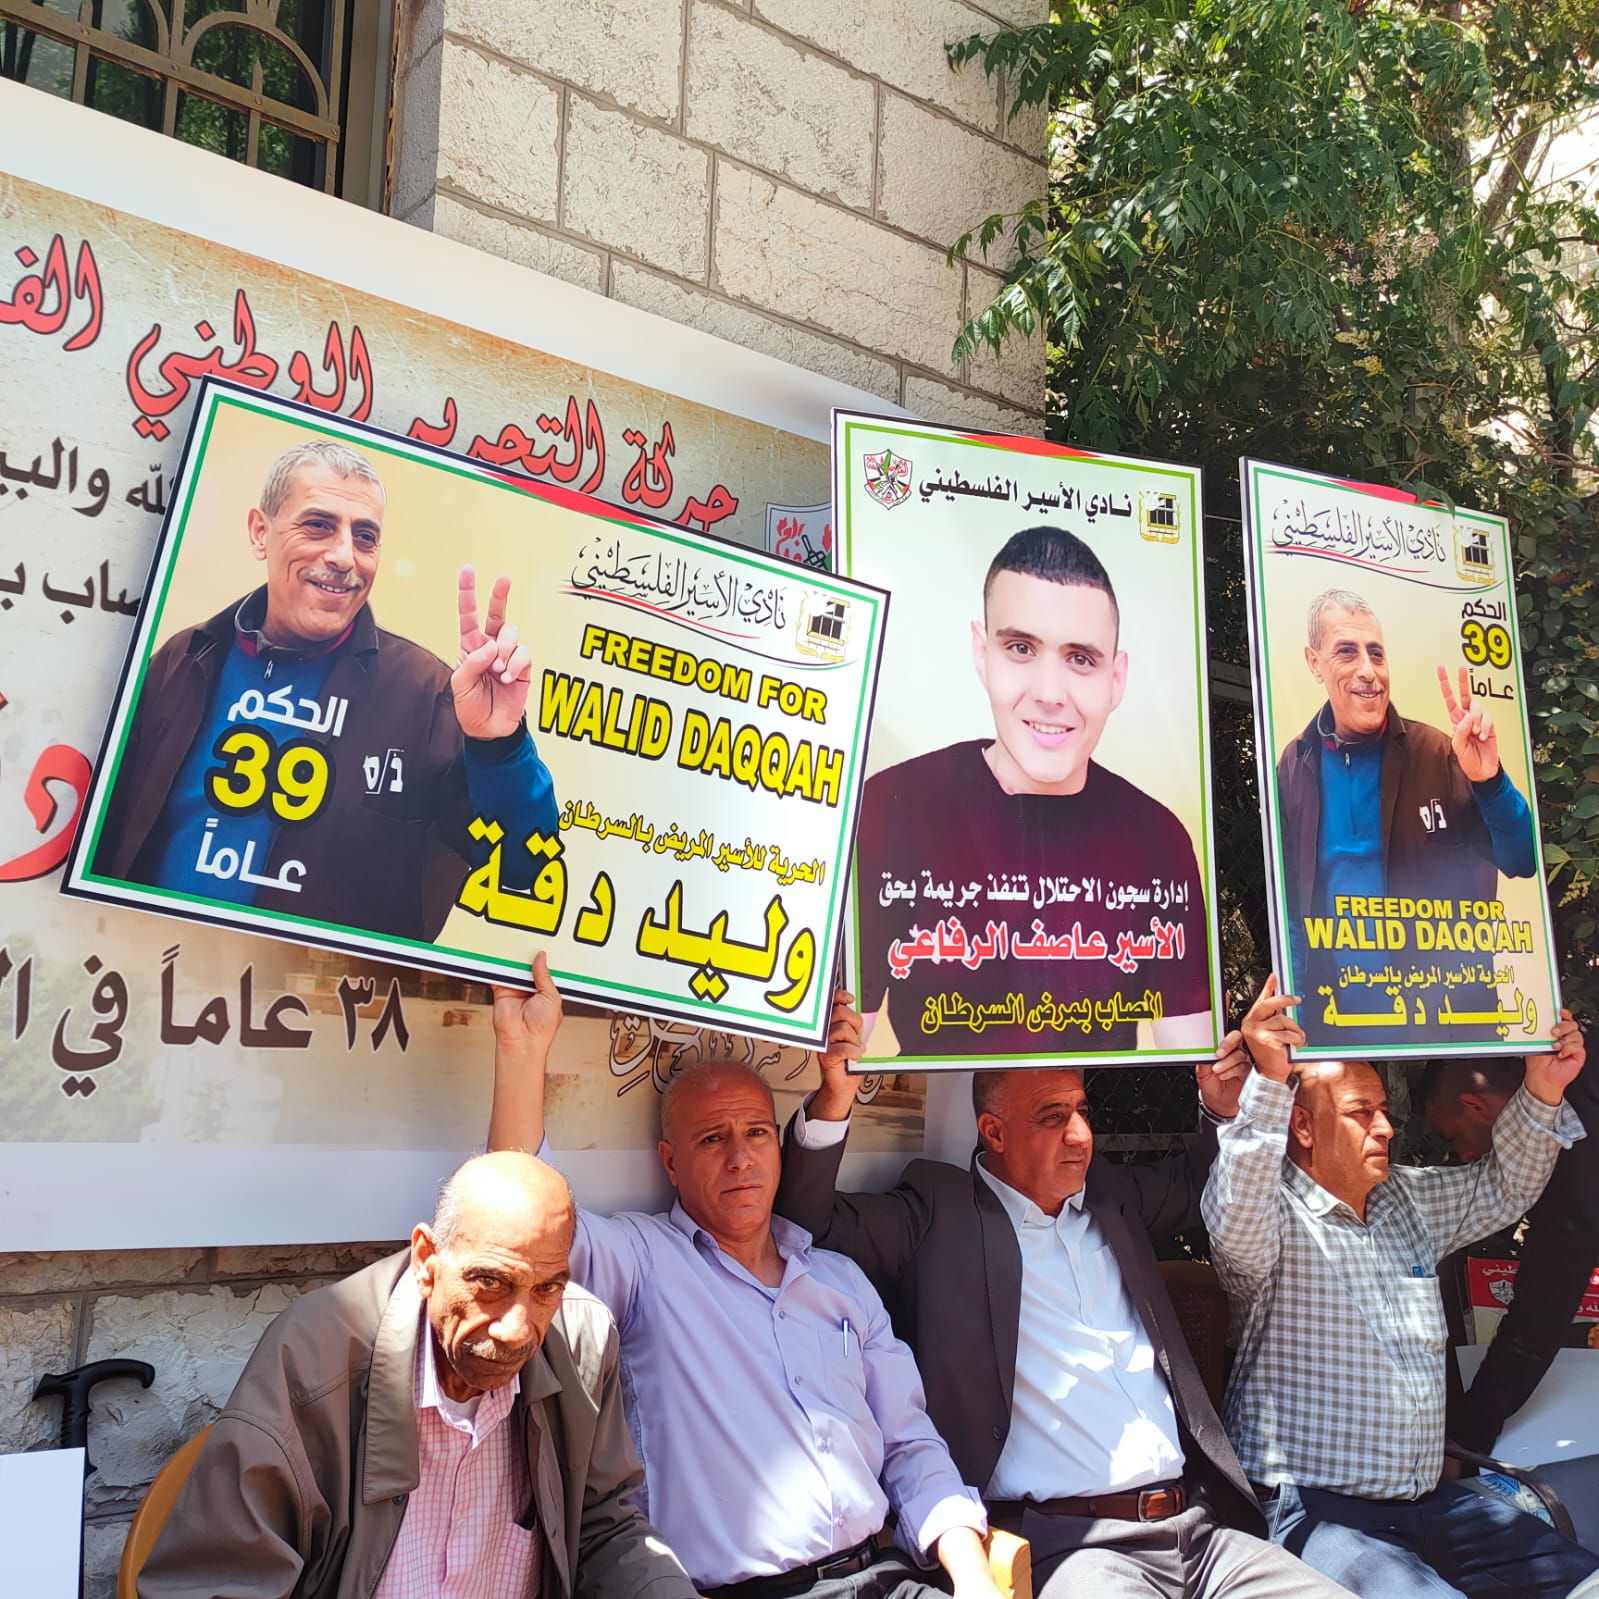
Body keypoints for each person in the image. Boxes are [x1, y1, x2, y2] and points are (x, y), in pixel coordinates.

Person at [774, 1005, 1353, 1598]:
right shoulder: (939, 1213)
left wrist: (1221, 1109)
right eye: (1053, 1117)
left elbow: (1198, 1186)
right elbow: (805, 1226)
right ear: (994, 1132)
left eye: (1082, 1111)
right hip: (1077, 1547)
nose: (1080, 1135)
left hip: (1202, 1534)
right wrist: (835, 1099)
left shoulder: (1108, 1196)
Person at [487, 956, 1002, 1599]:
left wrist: (973, 1577)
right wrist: (522, 1050)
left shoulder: (841, 1281)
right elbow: (525, 1218)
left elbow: (910, 1444)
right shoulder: (646, 1263)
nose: (740, 1158)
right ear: (671, 1163)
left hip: (887, 1578)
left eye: (757, 1133)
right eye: (712, 1139)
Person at [138, 1150, 696, 1599]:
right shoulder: (313, 1361)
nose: (516, 1329)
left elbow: (602, 1525)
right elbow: (216, 1583)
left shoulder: (580, 1343)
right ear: (427, 1260)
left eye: (547, 1287)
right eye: (491, 1283)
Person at [1203, 976, 1598, 1598]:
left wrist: (1544, 1089)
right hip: (1318, 1510)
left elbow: (1507, 1186)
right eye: (1361, 1113)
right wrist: (1269, 1084)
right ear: (1301, 1126)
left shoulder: (1405, 1200)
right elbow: (1236, 1210)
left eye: (1383, 1109)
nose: (1385, 1127)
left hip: (1431, 1505)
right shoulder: (1270, 1213)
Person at [93, 437, 557, 942]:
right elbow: (108, 832)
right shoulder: (182, 661)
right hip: (138, 968)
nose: (343, 556)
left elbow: (523, 868)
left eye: (365, 537)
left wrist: (499, 747)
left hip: (313, 991)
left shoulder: (426, 696)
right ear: (260, 533)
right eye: (318, 525)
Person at [854, 524, 1213, 1057]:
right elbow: (842, 1047)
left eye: (1081, 659)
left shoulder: (1158, 838)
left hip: (1087, 1107)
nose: (1049, 694)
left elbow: (1194, 1056)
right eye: (1020, 648)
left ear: (1116, 679)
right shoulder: (893, 807)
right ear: (982, 654)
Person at [1274, 588, 1536, 1018]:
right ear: (1314, 663)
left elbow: (1522, 859)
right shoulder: (1295, 764)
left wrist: (1490, 782)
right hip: (1337, 1029)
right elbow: (1292, 911)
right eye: (1347, 652)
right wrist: (1299, 1021)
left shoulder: (1437, 753)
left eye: (1376, 654)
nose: (1368, 671)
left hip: (1443, 1025)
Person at [1421, 1020, 1599, 1456]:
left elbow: (1540, 1313)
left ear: (1474, 1105)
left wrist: (1466, 1438)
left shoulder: (1567, 1155)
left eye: (1453, 1137)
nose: (1464, 1154)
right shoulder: (1584, 1063)